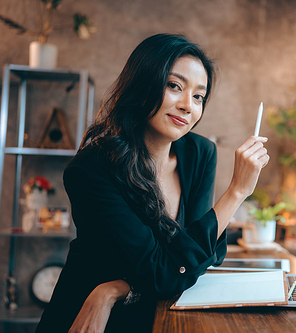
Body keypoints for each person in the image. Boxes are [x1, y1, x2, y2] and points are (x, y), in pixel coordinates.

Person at [35, 34, 269, 333]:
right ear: (143, 84)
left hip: (140, 306)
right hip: (89, 315)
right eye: (174, 86)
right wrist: (237, 191)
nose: (188, 105)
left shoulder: (198, 153)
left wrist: (115, 289)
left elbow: (206, 255)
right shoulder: (91, 169)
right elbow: (168, 271)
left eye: (199, 96)